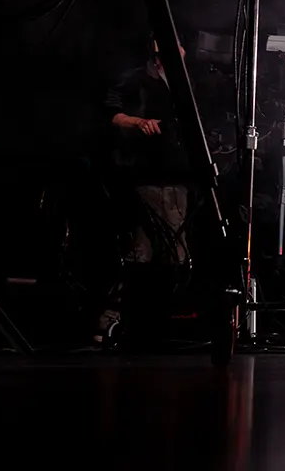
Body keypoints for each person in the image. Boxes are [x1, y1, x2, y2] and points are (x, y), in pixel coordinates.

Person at [96, 37, 194, 345]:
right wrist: (140, 122)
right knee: (146, 249)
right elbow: (110, 113)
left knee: (171, 251)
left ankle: (158, 321)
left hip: (177, 174)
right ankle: (115, 320)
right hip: (145, 173)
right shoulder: (135, 78)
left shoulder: (187, 83)